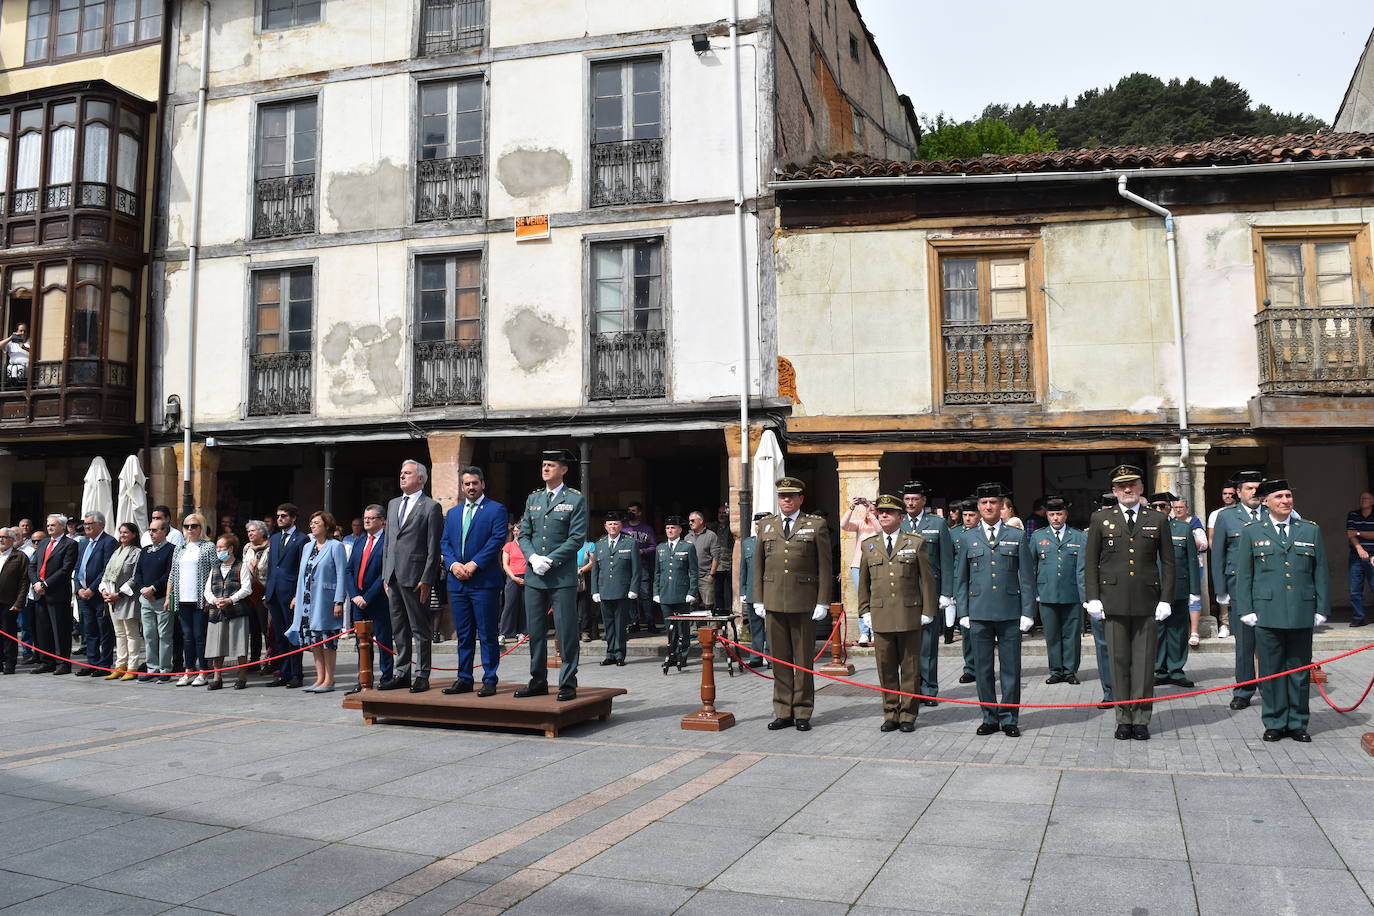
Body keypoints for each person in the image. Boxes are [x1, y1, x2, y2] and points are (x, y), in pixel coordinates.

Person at [1084, 465, 1174, 741]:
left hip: (1147, 602)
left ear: (1141, 488)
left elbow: (1169, 563)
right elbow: (1091, 562)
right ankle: (1123, 717)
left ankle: (1141, 718)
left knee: (1145, 663)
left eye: (1132, 485)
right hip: (1112, 602)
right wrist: (1093, 598)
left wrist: (1166, 599)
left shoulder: (1157, 519)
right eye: (1121, 486)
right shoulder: (1101, 518)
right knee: (1119, 662)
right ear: (1114, 491)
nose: (1127, 490)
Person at [1234, 479, 1328, 742]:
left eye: (1288, 495)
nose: (1286, 500)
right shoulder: (1253, 531)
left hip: (1301, 611)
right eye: (1279, 496)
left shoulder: (1309, 530)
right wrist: (1246, 609)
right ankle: (1274, 721)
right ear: (1266, 501)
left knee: (1299, 672)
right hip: (1267, 611)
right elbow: (1245, 575)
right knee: (1271, 672)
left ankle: (1298, 722)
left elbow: (1320, 571)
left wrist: (1321, 607)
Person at [752, 476, 832, 732]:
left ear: (800, 499)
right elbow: (758, 567)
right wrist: (758, 598)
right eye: (782, 496)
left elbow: (825, 566)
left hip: (804, 602)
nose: (786, 500)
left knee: (803, 660)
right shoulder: (766, 525)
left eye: (791, 496)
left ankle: (803, 711)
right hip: (773, 601)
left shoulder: (815, 525)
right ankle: (783, 710)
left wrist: (823, 601)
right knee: (780, 660)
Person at [954, 483, 1034, 738]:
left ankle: (1009, 717)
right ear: (978, 507)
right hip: (978, 613)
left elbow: (1027, 578)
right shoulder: (967, 537)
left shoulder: (1017, 536)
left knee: (1011, 668)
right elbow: (961, 579)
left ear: (1002, 506)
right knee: (983, 669)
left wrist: (1028, 612)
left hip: (1010, 612)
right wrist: (963, 612)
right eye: (984, 503)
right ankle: (989, 716)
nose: (988, 507)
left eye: (993, 502)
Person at [858, 494, 936, 733]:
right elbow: (864, 582)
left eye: (889, 512)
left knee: (910, 668)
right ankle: (890, 712)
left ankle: (908, 715)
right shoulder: (869, 544)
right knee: (886, 667)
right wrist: (864, 611)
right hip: (881, 615)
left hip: (909, 614)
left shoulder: (915, 542)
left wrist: (928, 610)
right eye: (880, 512)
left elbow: (927, 580)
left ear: (900, 517)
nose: (883, 515)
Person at [516, 448, 588, 701]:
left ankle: (567, 682)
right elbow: (524, 534)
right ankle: (538, 680)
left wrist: (551, 560)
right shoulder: (533, 499)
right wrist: (533, 558)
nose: (545, 468)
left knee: (566, 630)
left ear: (564, 469)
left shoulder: (575, 499)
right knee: (535, 631)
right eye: (544, 464)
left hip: (560, 577)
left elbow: (577, 538)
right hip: (535, 574)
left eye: (551, 465)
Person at [440, 466, 508, 697]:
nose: (471, 487)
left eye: (475, 483)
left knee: (487, 633)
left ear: (482, 484)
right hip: (458, 582)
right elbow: (445, 542)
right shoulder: (454, 513)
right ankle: (464, 678)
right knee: (464, 634)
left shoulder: (496, 510)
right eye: (467, 484)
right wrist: (453, 565)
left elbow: (497, 539)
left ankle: (490, 678)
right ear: (461, 487)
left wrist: (474, 563)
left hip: (484, 582)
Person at [381, 460, 444, 694]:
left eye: (407, 473)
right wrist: (385, 575)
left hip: (416, 577)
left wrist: (428, 577)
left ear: (420, 478)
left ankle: (422, 674)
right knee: (398, 628)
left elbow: (433, 547)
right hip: (394, 576)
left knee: (420, 628)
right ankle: (402, 672)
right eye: (401, 473)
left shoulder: (431, 507)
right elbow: (388, 542)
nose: (402, 476)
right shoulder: (393, 504)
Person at [1210, 469, 1265, 710]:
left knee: (1269, 640)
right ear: (1239, 492)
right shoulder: (1226, 517)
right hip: (1239, 585)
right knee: (1244, 641)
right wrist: (1220, 589)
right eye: (1249, 488)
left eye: (1257, 488)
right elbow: (1218, 554)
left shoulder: (1274, 513)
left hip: (1268, 586)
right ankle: (1244, 689)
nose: (1254, 492)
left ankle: (1270, 685)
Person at [899, 481, 954, 708]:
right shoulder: (898, 522)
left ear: (924, 501)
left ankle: (929, 689)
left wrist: (946, 593)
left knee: (928, 644)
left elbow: (947, 560)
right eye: (908, 499)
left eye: (915, 499)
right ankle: (910, 689)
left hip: (930, 591)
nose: (911, 503)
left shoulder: (938, 524)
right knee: (905, 644)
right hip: (903, 592)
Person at [291, 511, 347, 693]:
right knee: (314, 641)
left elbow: (341, 575)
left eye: (316, 523)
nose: (312, 526)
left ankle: (329, 680)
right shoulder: (308, 547)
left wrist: (339, 601)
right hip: (308, 602)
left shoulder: (335, 546)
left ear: (326, 526)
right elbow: (302, 576)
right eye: (311, 523)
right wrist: (297, 598)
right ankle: (319, 678)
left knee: (327, 642)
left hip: (326, 601)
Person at [1033, 496, 1086, 686]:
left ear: (1066, 514)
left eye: (1059, 514)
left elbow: (1083, 568)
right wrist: (1034, 593)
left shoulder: (1079, 536)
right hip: (1047, 593)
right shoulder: (1038, 536)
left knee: (1071, 635)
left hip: (1072, 593)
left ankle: (1070, 671)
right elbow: (1031, 566)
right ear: (1047, 515)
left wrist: (1085, 595)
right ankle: (1056, 671)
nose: (1055, 518)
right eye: (1052, 514)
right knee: (1052, 635)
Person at [1151, 491, 1201, 689]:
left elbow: (1191, 560)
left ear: (1170, 507)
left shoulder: (1183, 528)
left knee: (1178, 631)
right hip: (1152, 589)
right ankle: (1159, 670)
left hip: (1178, 587)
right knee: (1156, 631)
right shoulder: (1143, 529)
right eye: (1154, 507)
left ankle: (1176, 669)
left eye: (1162, 506)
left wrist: (1194, 590)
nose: (1158, 510)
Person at [345, 504, 391, 693]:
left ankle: (387, 677)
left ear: (382, 521)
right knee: (361, 643)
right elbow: (349, 570)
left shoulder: (387, 542)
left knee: (383, 639)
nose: (366, 521)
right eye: (365, 518)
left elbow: (385, 573)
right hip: (358, 602)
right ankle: (364, 677)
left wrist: (368, 596)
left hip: (378, 600)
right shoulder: (360, 541)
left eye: (371, 518)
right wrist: (355, 595)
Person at [264, 504, 309, 688]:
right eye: (278, 516)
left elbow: (302, 569)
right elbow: (271, 567)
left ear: (293, 518)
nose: (280, 519)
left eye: (284, 516)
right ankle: (283, 672)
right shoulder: (274, 538)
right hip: (274, 593)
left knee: (293, 635)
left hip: (290, 594)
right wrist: (267, 593)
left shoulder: (302, 539)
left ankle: (296, 674)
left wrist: (297, 595)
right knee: (279, 635)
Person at [168, 513, 216, 687]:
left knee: (199, 635)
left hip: (200, 599)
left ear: (201, 527)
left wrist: (210, 597)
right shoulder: (179, 547)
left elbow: (215, 572)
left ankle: (203, 671)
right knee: (186, 636)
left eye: (194, 526)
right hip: (182, 598)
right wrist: (169, 596)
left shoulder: (208, 546)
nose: (190, 529)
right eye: (187, 526)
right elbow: (173, 574)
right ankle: (189, 670)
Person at [590, 510, 640, 667]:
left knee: (620, 624)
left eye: (616, 524)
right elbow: (595, 570)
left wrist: (633, 588)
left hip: (622, 590)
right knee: (608, 625)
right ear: (605, 526)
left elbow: (636, 569)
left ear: (621, 526)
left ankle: (619, 654)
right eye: (610, 524)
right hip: (604, 590)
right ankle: (610, 653)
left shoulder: (630, 543)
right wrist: (595, 591)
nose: (613, 526)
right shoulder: (600, 544)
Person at [29, 514, 77, 674]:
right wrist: (36, 582)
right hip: (39, 592)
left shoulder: (70, 544)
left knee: (60, 630)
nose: (49, 527)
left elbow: (66, 569)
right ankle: (46, 661)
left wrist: (46, 584)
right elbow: (32, 565)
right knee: (43, 629)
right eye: (48, 525)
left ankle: (62, 663)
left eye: (53, 525)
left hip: (57, 593)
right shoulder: (43, 543)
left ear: (62, 527)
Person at [205, 533, 252, 690]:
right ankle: (218, 677)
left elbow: (247, 588)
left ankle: (242, 676)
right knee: (216, 645)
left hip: (237, 611)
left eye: (221, 547)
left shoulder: (241, 566)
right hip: (217, 612)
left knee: (240, 644)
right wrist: (214, 600)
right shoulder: (215, 568)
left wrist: (231, 599)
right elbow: (207, 590)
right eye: (217, 547)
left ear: (231, 549)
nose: (219, 550)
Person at [73, 510, 117, 676]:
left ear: (100, 525)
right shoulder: (83, 542)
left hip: (98, 594)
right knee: (89, 629)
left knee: (103, 630)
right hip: (83, 594)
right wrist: (78, 588)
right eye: (85, 524)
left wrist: (91, 589)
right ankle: (92, 662)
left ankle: (104, 664)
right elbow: (77, 567)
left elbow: (106, 569)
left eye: (89, 524)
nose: (86, 527)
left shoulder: (108, 542)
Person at [131, 517, 175, 682]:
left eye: (155, 530)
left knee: (164, 634)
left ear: (165, 531)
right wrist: (142, 588)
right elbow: (138, 573)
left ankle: (165, 669)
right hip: (145, 599)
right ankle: (152, 668)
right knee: (149, 634)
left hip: (162, 597)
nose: (151, 533)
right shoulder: (145, 550)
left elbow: (170, 573)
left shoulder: (171, 549)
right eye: (150, 530)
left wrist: (154, 588)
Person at [98, 522, 142, 681]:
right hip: (111, 599)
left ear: (134, 534)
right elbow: (106, 573)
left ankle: (132, 666)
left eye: (126, 532)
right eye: (121, 532)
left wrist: (119, 594)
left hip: (127, 598)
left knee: (131, 633)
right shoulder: (116, 551)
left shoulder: (137, 552)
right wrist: (104, 590)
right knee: (119, 634)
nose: (122, 535)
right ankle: (120, 665)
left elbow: (136, 577)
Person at [655, 515, 700, 668]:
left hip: (682, 594)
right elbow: (657, 572)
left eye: (673, 528)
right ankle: (671, 655)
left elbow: (694, 571)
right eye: (667, 528)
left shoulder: (687, 547)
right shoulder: (660, 548)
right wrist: (656, 592)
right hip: (665, 593)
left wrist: (691, 592)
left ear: (680, 530)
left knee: (683, 628)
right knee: (670, 628)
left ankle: (684, 655)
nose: (670, 530)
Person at [841, 497, 881, 646]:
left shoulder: (882, 523)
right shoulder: (860, 524)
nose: (871, 511)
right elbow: (843, 525)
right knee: (863, 599)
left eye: (874, 509)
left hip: (877, 565)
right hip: (858, 565)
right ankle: (864, 632)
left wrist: (870, 512)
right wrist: (851, 508)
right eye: (869, 509)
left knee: (877, 598)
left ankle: (876, 630)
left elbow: (880, 531)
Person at [1173, 498, 1209, 647]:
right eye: (1176, 507)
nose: (1178, 510)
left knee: (1193, 597)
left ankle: (1194, 631)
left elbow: (1204, 544)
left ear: (1187, 508)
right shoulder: (1171, 523)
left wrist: (1188, 538)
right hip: (1176, 566)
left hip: (1194, 566)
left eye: (1181, 507)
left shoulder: (1194, 524)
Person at [736, 512, 769, 668]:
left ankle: (771, 657)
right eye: (756, 524)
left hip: (770, 590)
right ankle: (756, 657)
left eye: (761, 524)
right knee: (755, 626)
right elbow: (743, 569)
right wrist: (742, 590)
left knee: (771, 627)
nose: (758, 527)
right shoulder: (747, 543)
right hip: (752, 591)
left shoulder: (774, 542)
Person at [621, 501, 658, 633]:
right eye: (629, 510)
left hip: (642, 566)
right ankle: (634, 622)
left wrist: (643, 551)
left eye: (634, 511)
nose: (631, 513)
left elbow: (654, 546)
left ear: (640, 513)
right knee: (630, 596)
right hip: (626, 567)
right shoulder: (623, 528)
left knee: (645, 595)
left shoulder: (646, 529)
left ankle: (650, 621)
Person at [242, 520, 271, 668]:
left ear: (262, 532)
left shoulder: (269, 548)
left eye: (253, 531)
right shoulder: (247, 548)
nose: (250, 534)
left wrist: (255, 569)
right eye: (249, 531)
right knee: (252, 628)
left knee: (265, 628)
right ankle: (254, 660)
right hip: (249, 593)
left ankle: (270, 659)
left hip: (263, 592)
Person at [0, 528, 28, 674]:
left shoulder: (19, 556)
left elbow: (24, 581)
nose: (1, 539)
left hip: (9, 602)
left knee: (8, 634)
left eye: (4, 537)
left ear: (11, 539)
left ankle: (10, 663)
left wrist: (19, 602)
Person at [1345, 490, 1374, 628]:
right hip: (1356, 556)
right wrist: (1360, 549)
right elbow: (1350, 534)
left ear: (1372, 502)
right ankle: (1358, 617)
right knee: (1355, 589)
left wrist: (1358, 532)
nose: (1363, 500)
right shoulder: (1353, 515)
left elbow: (1357, 533)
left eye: (1367, 498)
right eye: (1362, 498)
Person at [685, 510, 720, 613]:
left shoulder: (711, 535)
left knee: (709, 605)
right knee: (691, 605)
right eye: (689, 521)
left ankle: (711, 628)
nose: (690, 523)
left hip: (705, 575)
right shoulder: (687, 537)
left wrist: (711, 574)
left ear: (701, 521)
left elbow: (716, 556)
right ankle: (693, 629)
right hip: (691, 577)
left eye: (692, 520)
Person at [499, 523, 526, 645]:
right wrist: (514, 577)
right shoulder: (508, 545)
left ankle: (523, 632)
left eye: (518, 531)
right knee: (510, 604)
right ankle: (504, 632)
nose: (516, 533)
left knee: (524, 606)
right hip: (513, 577)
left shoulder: (527, 546)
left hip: (527, 578)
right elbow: (505, 564)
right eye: (514, 531)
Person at [714, 505, 734, 611]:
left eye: (724, 513)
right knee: (718, 590)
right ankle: (720, 612)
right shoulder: (713, 527)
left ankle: (731, 611)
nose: (722, 515)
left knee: (731, 589)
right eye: (720, 513)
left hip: (731, 562)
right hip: (718, 564)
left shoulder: (732, 527)